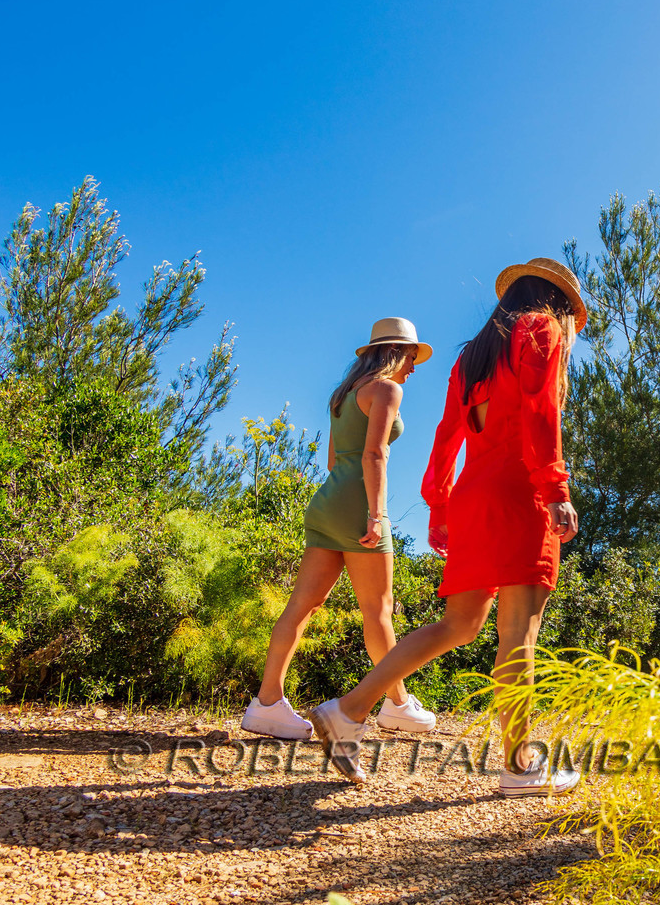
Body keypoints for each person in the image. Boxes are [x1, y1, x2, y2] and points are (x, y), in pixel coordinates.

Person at [309, 258, 584, 796]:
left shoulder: (473, 354)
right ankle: (520, 766)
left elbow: (448, 433)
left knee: (456, 625)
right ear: (557, 302)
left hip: (474, 497)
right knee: (519, 634)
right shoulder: (542, 328)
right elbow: (540, 414)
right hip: (520, 492)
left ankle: (349, 710)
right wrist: (556, 490)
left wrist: (440, 505)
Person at [240, 317, 438, 741]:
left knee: (302, 605)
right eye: (411, 357)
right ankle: (398, 704)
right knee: (379, 611)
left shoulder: (343, 395)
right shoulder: (387, 390)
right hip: (358, 507)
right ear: (395, 353)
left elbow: (333, 461)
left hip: (328, 502)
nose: (413, 367)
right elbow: (374, 455)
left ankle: (266, 704)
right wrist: (376, 514)